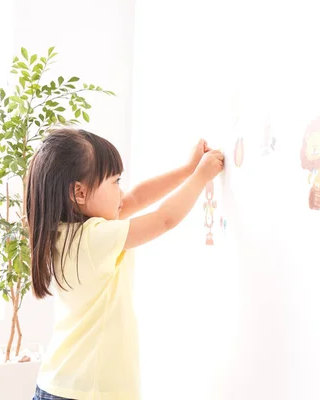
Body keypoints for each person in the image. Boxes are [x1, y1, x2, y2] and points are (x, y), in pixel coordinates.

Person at [26, 128, 224, 400]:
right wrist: (201, 177)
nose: (121, 192)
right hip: (88, 391)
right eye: (115, 181)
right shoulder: (93, 238)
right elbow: (163, 219)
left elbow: (137, 199)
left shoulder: (65, 233)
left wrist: (187, 170)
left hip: (60, 382)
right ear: (79, 193)